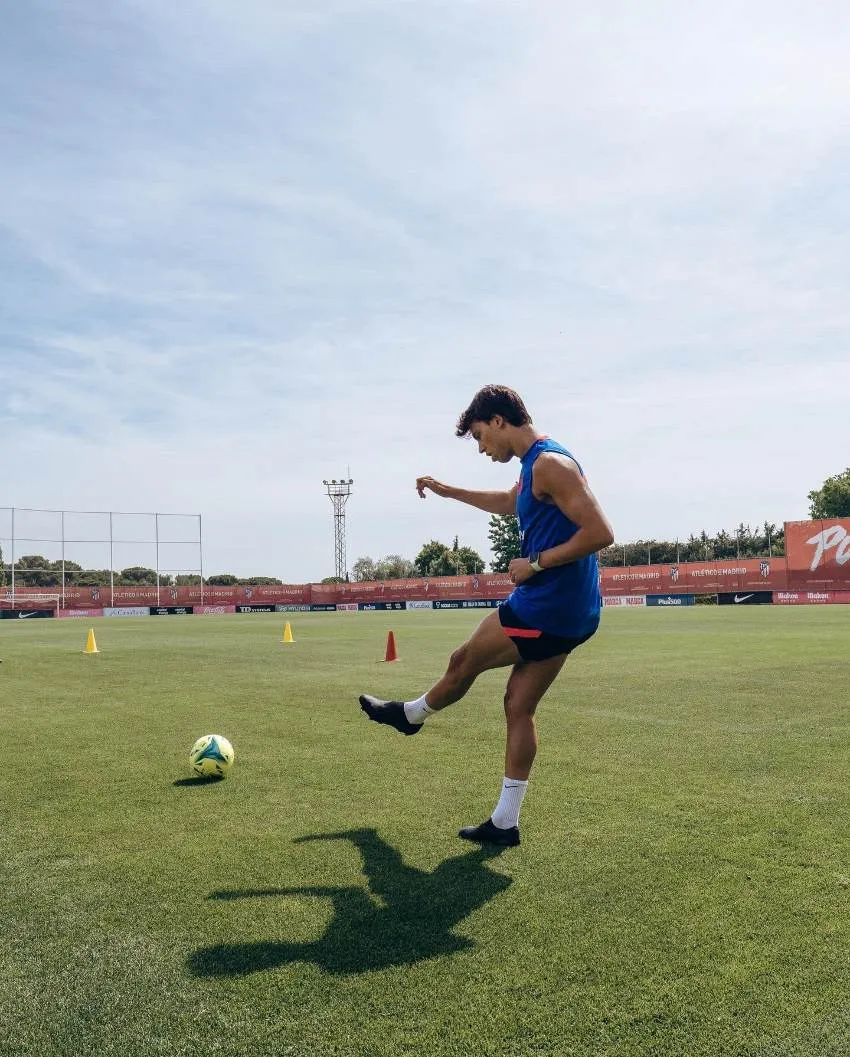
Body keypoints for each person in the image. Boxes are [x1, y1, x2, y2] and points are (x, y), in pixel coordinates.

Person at [359, 385, 614, 846]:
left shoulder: (551, 465)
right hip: (573, 612)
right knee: (519, 705)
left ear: (499, 420)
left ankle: (410, 715)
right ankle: (505, 822)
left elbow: (601, 532)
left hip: (546, 604)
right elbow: (507, 502)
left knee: (462, 663)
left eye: (480, 436)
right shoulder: (534, 467)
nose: (481, 448)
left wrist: (536, 564)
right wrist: (446, 491)